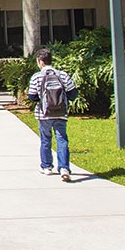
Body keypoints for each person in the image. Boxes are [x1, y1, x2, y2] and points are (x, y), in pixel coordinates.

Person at [27, 48, 79, 182]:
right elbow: (73, 94)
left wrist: (43, 102)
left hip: (43, 114)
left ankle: (47, 166)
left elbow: (32, 96)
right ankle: (64, 168)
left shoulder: (36, 77)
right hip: (61, 113)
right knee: (62, 139)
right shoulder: (62, 75)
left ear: (40, 62)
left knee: (45, 139)